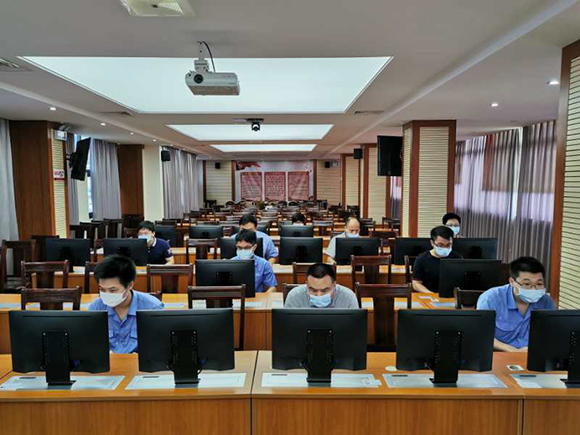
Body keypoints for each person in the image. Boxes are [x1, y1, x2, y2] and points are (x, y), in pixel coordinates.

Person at [477, 257, 555, 352]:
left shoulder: (546, 301)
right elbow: (482, 335)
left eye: (539, 284)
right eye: (527, 284)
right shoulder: (491, 299)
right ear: (512, 282)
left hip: (534, 354)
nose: (534, 289)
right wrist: (514, 351)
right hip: (499, 354)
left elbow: (552, 333)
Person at [89, 255, 163, 353]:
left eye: (113, 290)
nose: (107, 294)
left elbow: (159, 347)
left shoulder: (152, 308)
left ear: (130, 285)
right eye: (102, 289)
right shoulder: (96, 308)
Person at [412, 225, 462, 293]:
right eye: (441, 245)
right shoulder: (422, 259)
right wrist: (430, 294)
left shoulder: (457, 258)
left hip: (452, 295)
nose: (445, 248)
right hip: (430, 294)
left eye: (448, 245)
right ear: (432, 243)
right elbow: (416, 283)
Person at [285, 263, 358, 308]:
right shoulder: (294, 297)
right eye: (313, 290)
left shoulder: (348, 297)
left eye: (324, 290)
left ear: (334, 285)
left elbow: (355, 327)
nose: (319, 295)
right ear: (307, 285)